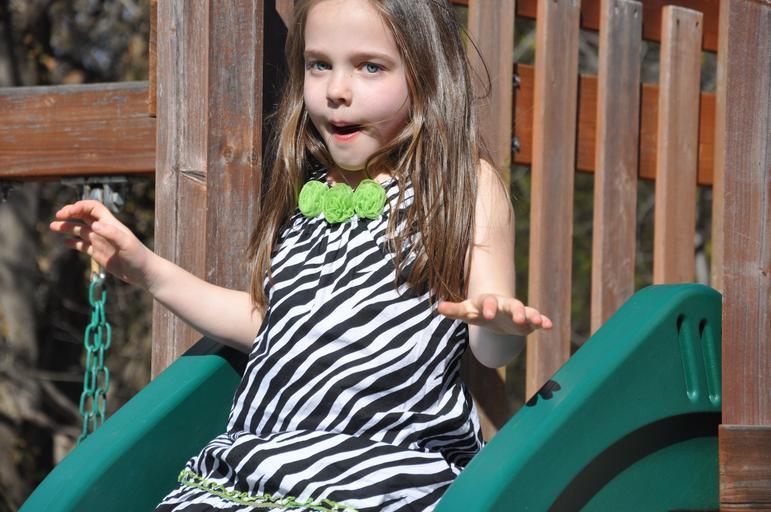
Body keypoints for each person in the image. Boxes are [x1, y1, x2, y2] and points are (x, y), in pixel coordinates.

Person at [50, 0, 552, 510]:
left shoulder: (462, 187)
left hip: (385, 471)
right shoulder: (306, 189)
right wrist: (147, 269)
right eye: (320, 65)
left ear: (426, 73)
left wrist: (498, 324)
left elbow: (490, 343)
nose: (337, 89)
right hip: (259, 467)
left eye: (370, 67)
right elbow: (271, 323)